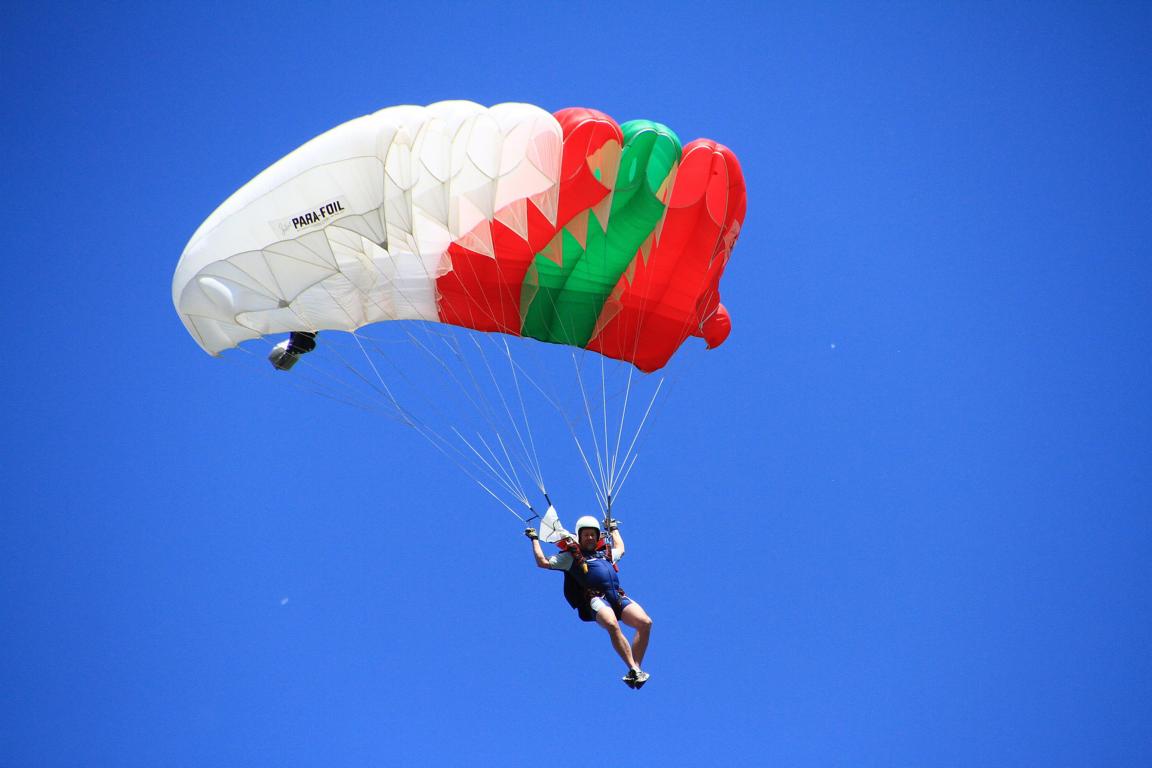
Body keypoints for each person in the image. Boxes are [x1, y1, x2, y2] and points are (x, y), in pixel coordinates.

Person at [525, 515, 654, 689]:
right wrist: (534, 539)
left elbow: (621, 548)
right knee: (612, 624)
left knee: (645, 623)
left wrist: (613, 528)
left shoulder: (606, 554)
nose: (590, 537)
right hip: (596, 598)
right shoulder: (571, 557)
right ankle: (632, 667)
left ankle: (636, 669)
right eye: (585, 535)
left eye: (593, 534)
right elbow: (543, 562)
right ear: (579, 537)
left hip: (617, 596)